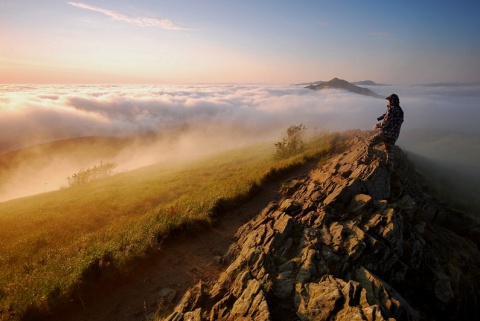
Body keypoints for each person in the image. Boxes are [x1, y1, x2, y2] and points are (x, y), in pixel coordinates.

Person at [360, 93, 404, 172]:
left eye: (388, 100)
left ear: (392, 101)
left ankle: (366, 160)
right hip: (394, 136)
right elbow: (392, 119)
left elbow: (387, 122)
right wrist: (382, 117)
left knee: (369, 143)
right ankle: (389, 168)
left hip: (386, 133)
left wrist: (377, 125)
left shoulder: (392, 109)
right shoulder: (400, 111)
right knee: (389, 151)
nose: (387, 102)